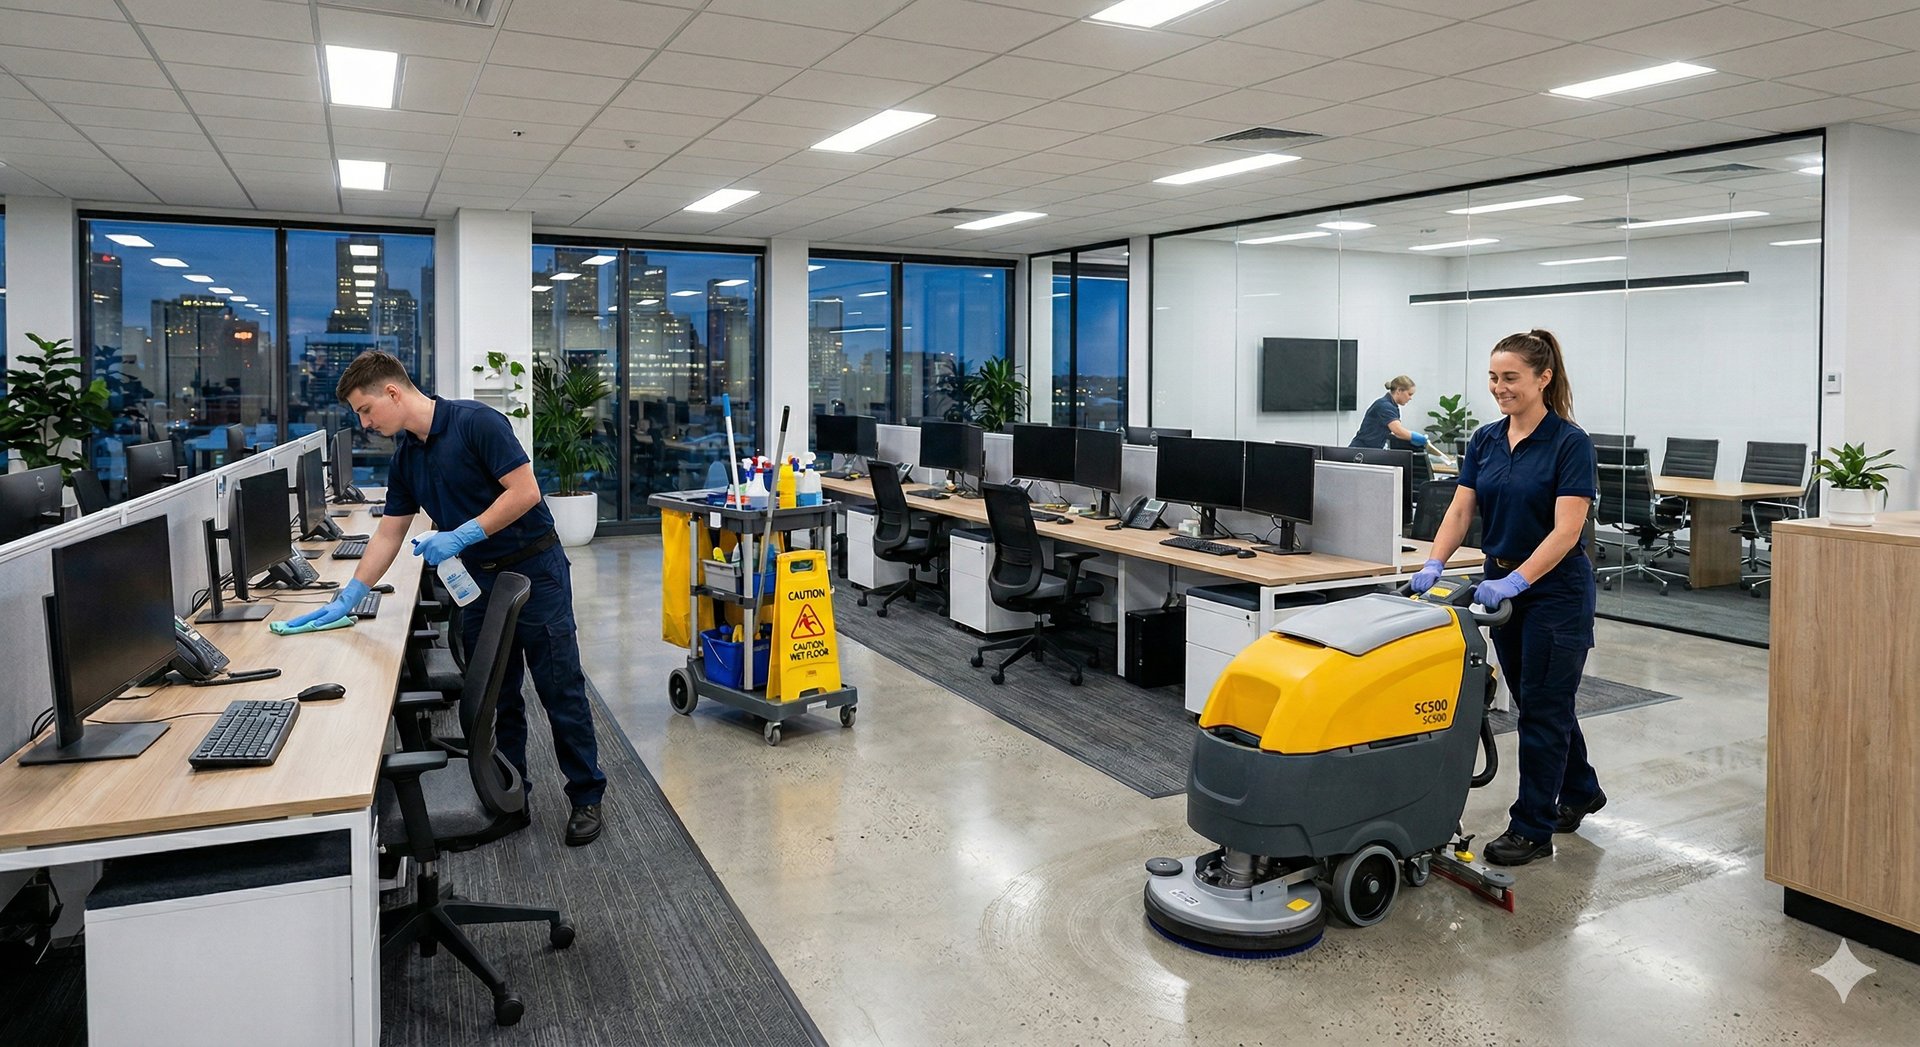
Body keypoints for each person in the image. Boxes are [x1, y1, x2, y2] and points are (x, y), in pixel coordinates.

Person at [288, 352, 608, 847]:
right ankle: (511, 792)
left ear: (393, 392)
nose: (365, 422)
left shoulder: (477, 423)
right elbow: (388, 535)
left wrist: (460, 534)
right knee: (497, 697)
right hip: (477, 582)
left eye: (366, 409)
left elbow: (524, 492)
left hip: (533, 570)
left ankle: (586, 795)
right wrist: (351, 593)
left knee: (558, 688)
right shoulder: (407, 459)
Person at [1407, 330, 1600, 867]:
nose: (1499, 388)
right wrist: (1434, 562)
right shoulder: (1486, 440)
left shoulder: (1569, 443)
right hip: (1500, 587)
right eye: (1493, 377)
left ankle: (1533, 828)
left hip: (1554, 592)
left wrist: (1519, 581)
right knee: (1540, 700)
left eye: (1510, 378)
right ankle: (1580, 788)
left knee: (1541, 709)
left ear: (1543, 378)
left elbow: (1566, 532)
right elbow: (1461, 511)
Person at [1349, 375, 1430, 451]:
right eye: (1409, 394)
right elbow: (1398, 431)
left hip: (1370, 450)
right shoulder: (1385, 406)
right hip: (1361, 451)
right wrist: (1417, 437)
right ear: (1399, 390)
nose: (1410, 398)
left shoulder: (1391, 406)